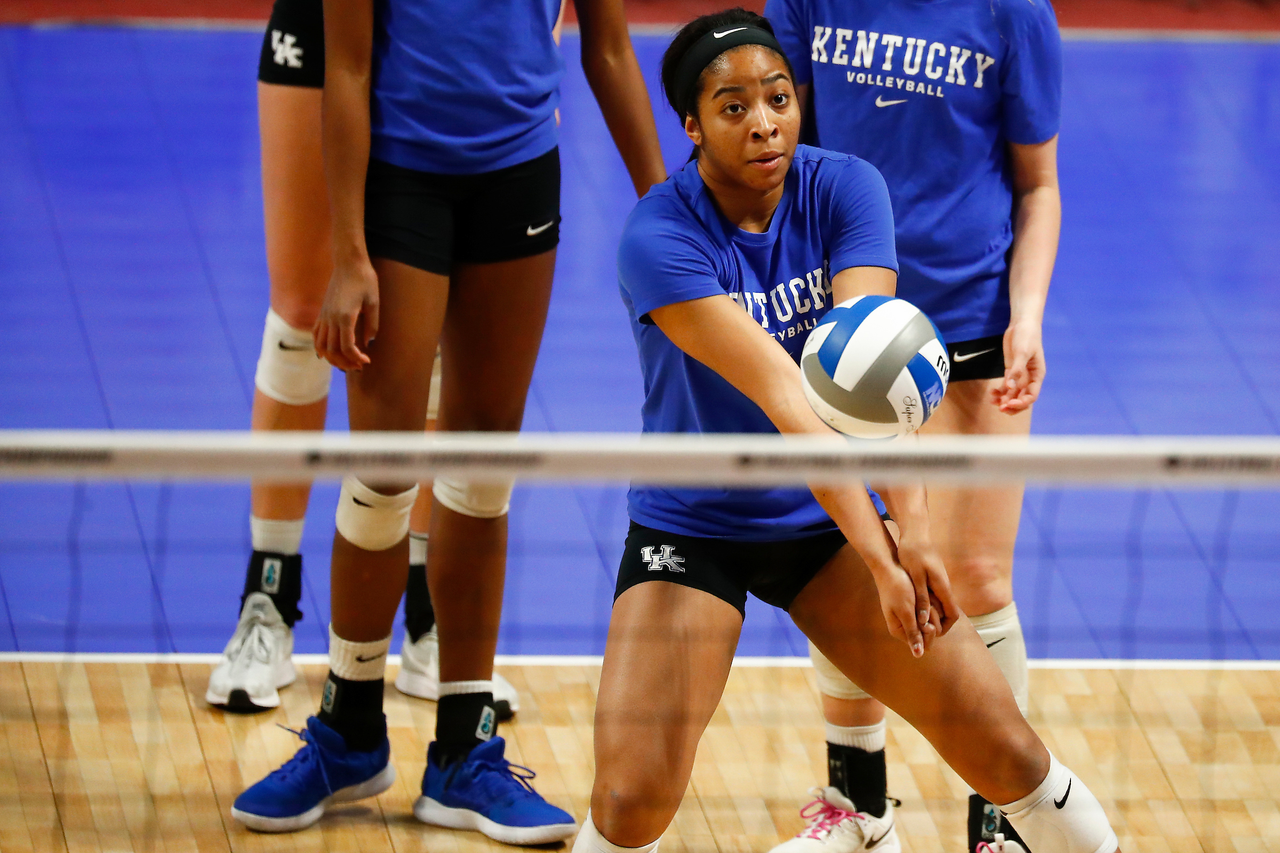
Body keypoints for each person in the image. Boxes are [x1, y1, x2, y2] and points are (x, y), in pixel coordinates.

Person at [568, 12, 1114, 853]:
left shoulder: (848, 187)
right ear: (691, 125)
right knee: (632, 796)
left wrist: (913, 531)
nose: (764, 122)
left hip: (818, 526)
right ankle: (858, 812)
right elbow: (794, 402)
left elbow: (870, 374)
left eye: (779, 98)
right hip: (696, 523)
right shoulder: (659, 237)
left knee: (1010, 753)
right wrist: (884, 549)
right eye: (733, 106)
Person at [229, 0, 666, 838]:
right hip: (401, 182)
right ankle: (349, 728)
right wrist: (350, 254)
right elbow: (347, 67)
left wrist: (662, 201)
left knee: (480, 468)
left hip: (520, 177)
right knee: (384, 467)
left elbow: (607, 46)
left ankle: (464, 752)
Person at [759, 1, 1063, 851]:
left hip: (974, 329)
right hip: (852, 330)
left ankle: (999, 822)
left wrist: (1027, 317)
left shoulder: (1013, 13)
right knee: (853, 567)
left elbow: (1038, 184)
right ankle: (859, 810)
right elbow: (778, 138)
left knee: (975, 578)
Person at [203, 0, 523, 719]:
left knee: (434, 334)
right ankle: (269, 599)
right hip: (325, 32)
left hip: (461, 48)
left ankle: (427, 614)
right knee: (301, 312)